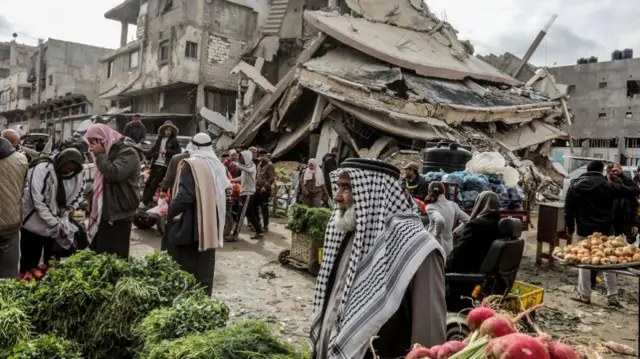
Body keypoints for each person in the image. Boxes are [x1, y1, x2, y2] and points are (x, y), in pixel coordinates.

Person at [310, 158, 446, 359]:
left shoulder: (417, 248)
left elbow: (429, 336)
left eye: (347, 188)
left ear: (375, 194)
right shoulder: (350, 233)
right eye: (339, 187)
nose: (337, 196)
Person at [565, 160, 640, 306]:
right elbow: (635, 190)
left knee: (583, 261)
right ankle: (612, 297)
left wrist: (570, 227)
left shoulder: (574, 185)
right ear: (602, 171)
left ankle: (584, 294)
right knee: (609, 261)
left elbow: (568, 209)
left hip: (584, 230)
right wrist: (622, 176)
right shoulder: (608, 186)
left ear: (587, 170)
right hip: (605, 231)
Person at [167, 133, 231, 295]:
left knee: (186, 264)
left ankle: (186, 299)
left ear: (193, 145)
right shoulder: (218, 164)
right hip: (211, 219)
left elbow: (185, 197)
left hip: (191, 221)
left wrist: (169, 211)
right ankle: (203, 298)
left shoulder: (190, 164)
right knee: (204, 264)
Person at [20, 149, 85, 272]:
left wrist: (68, 211)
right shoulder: (42, 169)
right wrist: (56, 223)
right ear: (61, 162)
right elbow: (38, 201)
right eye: (66, 168)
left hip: (55, 226)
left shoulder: (78, 173)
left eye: (71, 170)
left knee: (52, 265)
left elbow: (78, 193)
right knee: (30, 263)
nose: (68, 171)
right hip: (33, 222)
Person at [84, 124, 142, 258]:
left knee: (116, 257)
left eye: (95, 142)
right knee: (102, 254)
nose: (92, 147)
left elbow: (114, 173)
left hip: (119, 212)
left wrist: (100, 155)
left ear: (104, 138)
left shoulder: (127, 152)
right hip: (107, 210)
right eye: (90, 143)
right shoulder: (110, 151)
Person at [446, 191, 501, 274]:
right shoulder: (500, 225)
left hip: (469, 270)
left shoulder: (476, 224)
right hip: (490, 271)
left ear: (480, 204)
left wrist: (445, 263)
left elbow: (460, 251)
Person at [0, 137, 28, 278]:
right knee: (8, 276)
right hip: (10, 226)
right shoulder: (21, 160)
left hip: (10, 226)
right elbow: (21, 190)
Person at [140, 120, 181, 208]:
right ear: (163, 130)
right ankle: (144, 200)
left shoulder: (174, 141)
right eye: (166, 130)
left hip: (164, 166)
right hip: (155, 164)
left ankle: (145, 202)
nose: (168, 132)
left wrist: (167, 151)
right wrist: (142, 151)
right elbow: (152, 150)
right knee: (148, 183)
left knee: (153, 184)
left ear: (172, 131)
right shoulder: (159, 140)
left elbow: (178, 153)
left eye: (170, 130)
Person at [424, 182, 470, 256]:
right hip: (449, 247)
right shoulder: (453, 205)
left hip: (433, 247)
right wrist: (456, 232)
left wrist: (437, 237)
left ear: (429, 192)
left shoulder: (430, 206)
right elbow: (468, 220)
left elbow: (439, 220)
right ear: (444, 191)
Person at [231, 150, 263, 239]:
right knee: (249, 214)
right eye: (240, 157)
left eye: (241, 157)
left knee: (241, 214)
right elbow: (242, 177)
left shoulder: (251, 166)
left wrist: (237, 165)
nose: (240, 158)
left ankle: (235, 235)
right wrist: (231, 180)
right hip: (244, 193)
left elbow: (248, 170)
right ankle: (259, 232)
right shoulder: (245, 166)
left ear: (246, 157)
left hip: (248, 193)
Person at [256, 149, 276, 231]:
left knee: (264, 208)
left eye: (263, 156)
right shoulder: (259, 164)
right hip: (258, 188)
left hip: (265, 190)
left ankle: (265, 226)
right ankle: (258, 224)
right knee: (256, 207)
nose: (261, 157)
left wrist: (265, 186)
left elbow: (272, 178)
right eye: (260, 156)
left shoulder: (270, 165)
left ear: (266, 155)